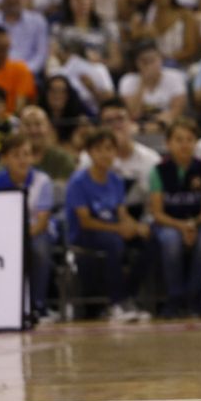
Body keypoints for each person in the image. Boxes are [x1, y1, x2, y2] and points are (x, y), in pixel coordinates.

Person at [64, 127, 151, 323]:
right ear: (90, 153)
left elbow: (121, 213)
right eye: (99, 149)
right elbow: (85, 220)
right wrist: (118, 229)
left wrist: (135, 227)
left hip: (111, 231)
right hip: (84, 234)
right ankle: (116, 302)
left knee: (149, 241)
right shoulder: (78, 182)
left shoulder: (116, 180)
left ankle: (129, 296)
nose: (105, 154)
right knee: (114, 243)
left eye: (110, 149)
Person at [146, 117, 201, 317]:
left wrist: (192, 224)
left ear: (196, 142)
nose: (184, 144)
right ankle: (174, 298)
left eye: (189, 139)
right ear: (168, 143)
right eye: (178, 139)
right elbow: (157, 213)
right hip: (168, 223)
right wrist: (181, 226)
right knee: (171, 241)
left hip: (198, 222)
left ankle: (195, 297)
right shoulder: (158, 171)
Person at [0, 133, 55, 322]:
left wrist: (20, 239)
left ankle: (38, 306)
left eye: (26, 154)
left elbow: (42, 221)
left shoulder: (43, 181)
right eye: (16, 155)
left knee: (38, 250)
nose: (22, 159)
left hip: (36, 232)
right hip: (4, 233)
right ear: (5, 158)